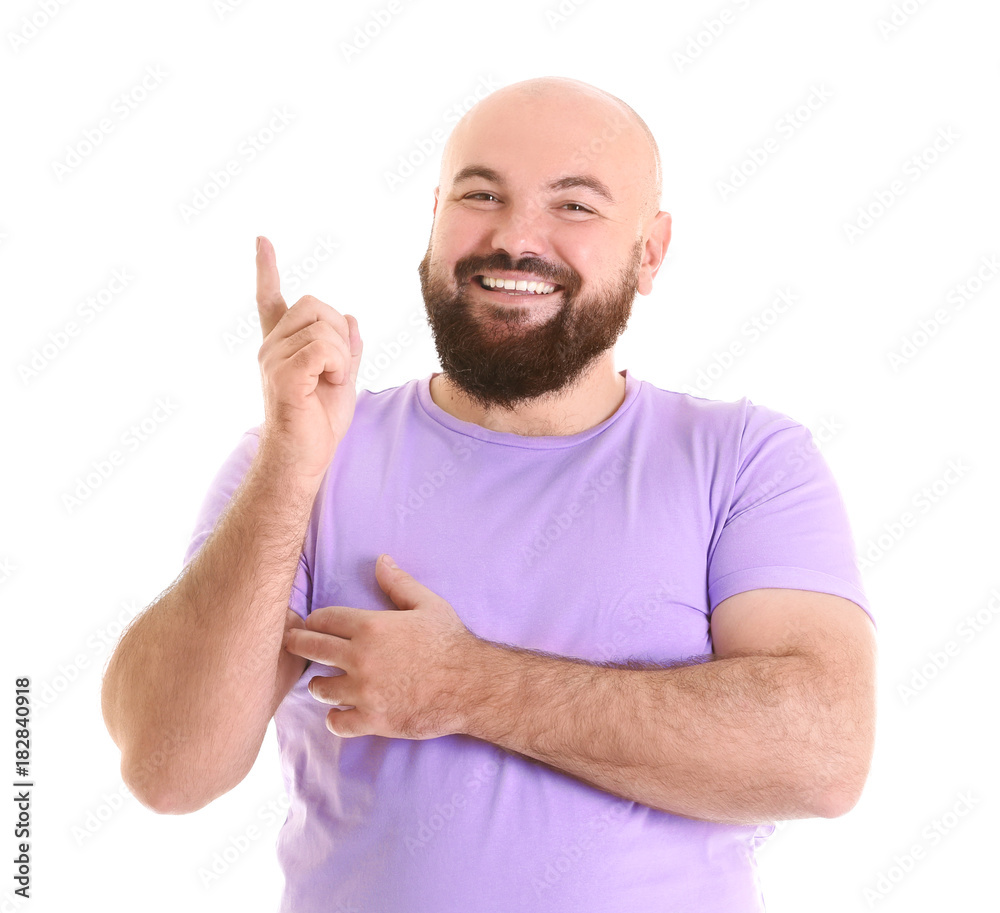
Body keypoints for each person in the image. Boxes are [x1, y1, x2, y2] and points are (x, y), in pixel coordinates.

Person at [101, 76, 877, 912]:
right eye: (480, 194)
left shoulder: (746, 460)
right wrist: (290, 465)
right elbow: (168, 765)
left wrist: (466, 685)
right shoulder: (299, 459)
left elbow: (824, 751)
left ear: (650, 253)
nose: (513, 238)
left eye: (574, 205)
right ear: (433, 221)